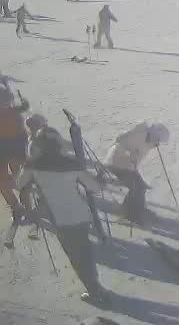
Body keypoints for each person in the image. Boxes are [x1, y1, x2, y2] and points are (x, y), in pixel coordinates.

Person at [18, 128, 110, 305]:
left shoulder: (33, 164)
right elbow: (95, 188)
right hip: (81, 214)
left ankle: (94, 290)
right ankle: (95, 284)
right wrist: (100, 179)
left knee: (76, 255)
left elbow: (20, 183)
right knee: (85, 251)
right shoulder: (72, 163)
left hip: (59, 218)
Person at [105, 122, 169, 224]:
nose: (157, 144)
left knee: (141, 186)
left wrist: (137, 174)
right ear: (154, 134)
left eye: (159, 142)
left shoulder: (148, 143)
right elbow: (119, 141)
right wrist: (129, 154)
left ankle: (138, 209)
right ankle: (129, 215)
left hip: (127, 167)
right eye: (158, 140)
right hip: (115, 163)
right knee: (137, 187)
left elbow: (136, 159)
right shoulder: (138, 133)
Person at [0, 87, 30, 221]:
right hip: (6, 148)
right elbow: (24, 106)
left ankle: (16, 183)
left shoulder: (14, 112)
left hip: (15, 146)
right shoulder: (14, 111)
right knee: (3, 182)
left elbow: (24, 106)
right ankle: (16, 205)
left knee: (14, 171)